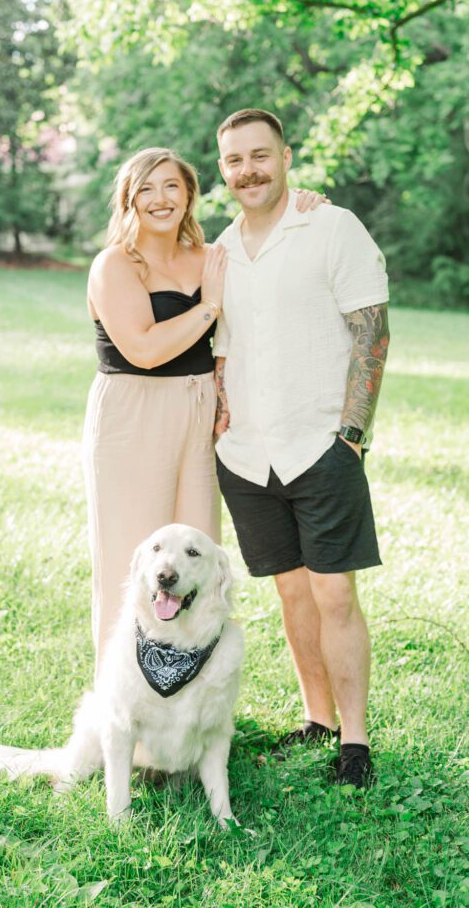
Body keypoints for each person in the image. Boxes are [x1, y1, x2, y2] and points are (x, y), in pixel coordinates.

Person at [83, 146, 327, 676]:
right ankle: (130, 721)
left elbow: (270, 249)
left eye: (171, 186)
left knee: (196, 559)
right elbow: (143, 349)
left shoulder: (212, 256)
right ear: (128, 200)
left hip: (199, 415)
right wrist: (209, 307)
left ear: (190, 194)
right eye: (145, 189)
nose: (159, 199)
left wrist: (302, 206)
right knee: (137, 561)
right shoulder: (115, 265)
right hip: (133, 414)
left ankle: (188, 712)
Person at [213, 108, 390, 788]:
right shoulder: (221, 250)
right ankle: (315, 718)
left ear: (285, 157)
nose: (248, 170)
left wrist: (350, 434)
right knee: (290, 592)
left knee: (333, 594)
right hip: (246, 455)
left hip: (320, 444)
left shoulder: (331, 226)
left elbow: (370, 331)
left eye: (260, 155)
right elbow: (223, 354)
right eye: (234, 160)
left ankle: (354, 741)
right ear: (222, 169)